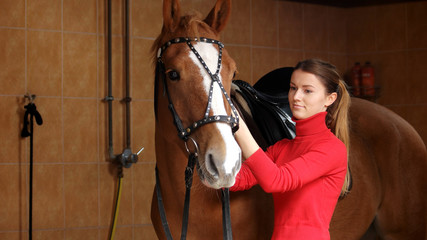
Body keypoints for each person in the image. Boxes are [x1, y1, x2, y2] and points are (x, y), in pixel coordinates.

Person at [231, 58, 351, 240]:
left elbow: (276, 181)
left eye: (307, 91)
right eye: (293, 88)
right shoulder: (282, 148)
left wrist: (238, 127)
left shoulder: (332, 149)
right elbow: (241, 179)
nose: (296, 97)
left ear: (329, 99)